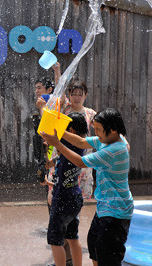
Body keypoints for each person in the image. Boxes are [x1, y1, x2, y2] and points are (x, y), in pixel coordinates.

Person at [41, 108, 133, 266]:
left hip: (116, 212)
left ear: (113, 129)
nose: (95, 133)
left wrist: (57, 143)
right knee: (94, 245)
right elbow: (82, 141)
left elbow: (80, 162)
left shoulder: (114, 150)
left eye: (98, 130)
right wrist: (58, 131)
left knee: (107, 255)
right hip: (105, 208)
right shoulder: (110, 139)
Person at [42, 113, 87, 266]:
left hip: (62, 200)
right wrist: (47, 158)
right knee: (73, 238)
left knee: (55, 241)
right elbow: (55, 162)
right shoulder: (75, 148)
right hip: (74, 198)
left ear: (72, 131)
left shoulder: (70, 147)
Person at [53, 64, 97, 200]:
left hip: (84, 159)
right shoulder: (65, 107)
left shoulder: (90, 113)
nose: (76, 98)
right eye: (73, 94)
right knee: (61, 193)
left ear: (86, 95)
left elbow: (104, 128)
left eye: (80, 94)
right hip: (64, 155)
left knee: (81, 197)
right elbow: (59, 90)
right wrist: (57, 71)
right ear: (69, 95)